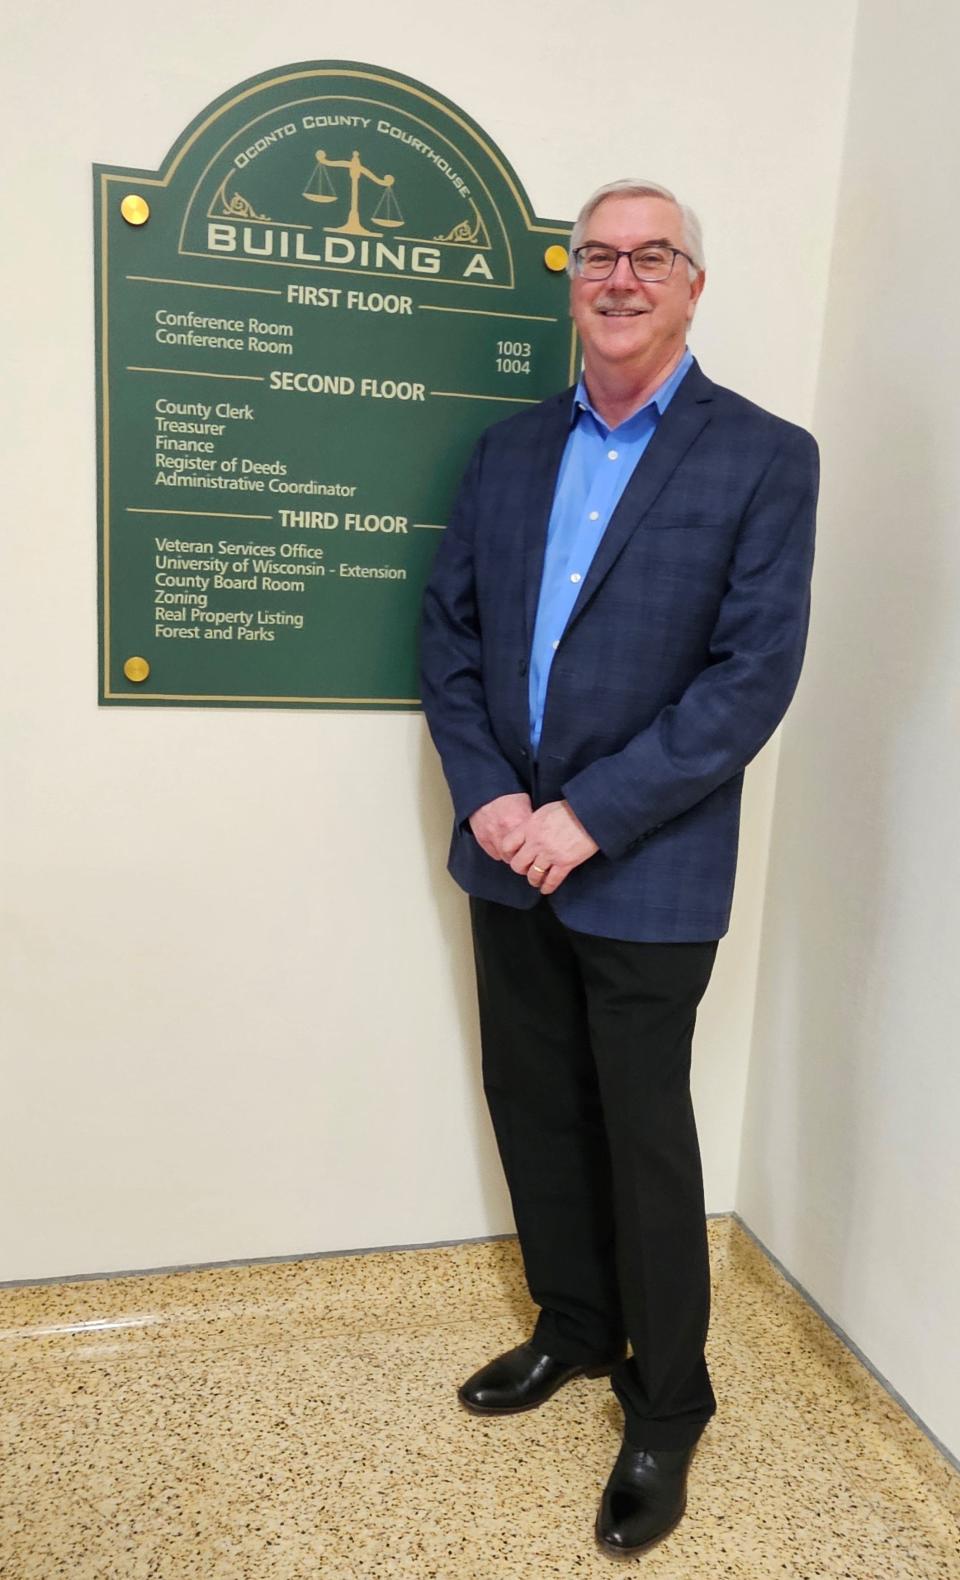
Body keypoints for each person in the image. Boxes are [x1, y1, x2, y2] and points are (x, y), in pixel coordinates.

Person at [419, 177, 818, 1558]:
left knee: (642, 1131)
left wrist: (584, 816)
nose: (623, 274)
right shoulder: (508, 453)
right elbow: (451, 639)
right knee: (532, 1096)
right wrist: (490, 803)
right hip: (505, 858)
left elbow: (747, 681)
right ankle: (578, 1331)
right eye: (600, 254)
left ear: (694, 285)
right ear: (571, 279)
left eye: (655, 255)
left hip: (642, 862)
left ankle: (669, 1404)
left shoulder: (767, 457)